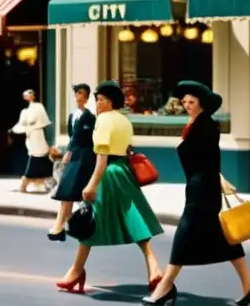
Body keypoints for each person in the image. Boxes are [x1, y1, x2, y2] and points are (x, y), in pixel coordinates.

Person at [143, 81, 250, 306]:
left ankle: (165, 286)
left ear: (202, 104)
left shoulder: (206, 125)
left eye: (192, 102)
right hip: (199, 187)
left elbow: (208, 160)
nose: (187, 105)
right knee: (224, 239)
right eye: (185, 102)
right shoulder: (195, 124)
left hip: (203, 190)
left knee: (184, 234)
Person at [56, 80, 164, 295]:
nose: (97, 103)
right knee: (135, 220)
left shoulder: (103, 120)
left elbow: (102, 158)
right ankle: (154, 267)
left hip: (109, 173)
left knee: (89, 222)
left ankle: (76, 271)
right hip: (124, 172)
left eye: (101, 99)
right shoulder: (124, 120)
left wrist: (91, 185)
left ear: (111, 101)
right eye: (96, 99)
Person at [48, 83, 96, 241]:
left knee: (69, 191)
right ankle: (62, 226)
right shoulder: (72, 116)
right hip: (74, 156)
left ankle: (60, 226)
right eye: (76, 93)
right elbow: (71, 137)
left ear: (87, 97)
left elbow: (86, 139)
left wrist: (71, 151)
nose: (77, 96)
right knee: (67, 191)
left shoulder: (90, 117)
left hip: (84, 157)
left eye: (81, 93)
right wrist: (67, 152)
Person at [10, 89, 53, 193]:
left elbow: (44, 120)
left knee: (39, 156)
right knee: (35, 156)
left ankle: (26, 182)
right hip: (30, 136)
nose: (29, 96)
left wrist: (34, 126)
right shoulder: (24, 111)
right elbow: (21, 124)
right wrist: (13, 130)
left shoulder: (38, 106)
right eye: (26, 95)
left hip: (38, 134)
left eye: (30, 94)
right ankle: (31, 182)